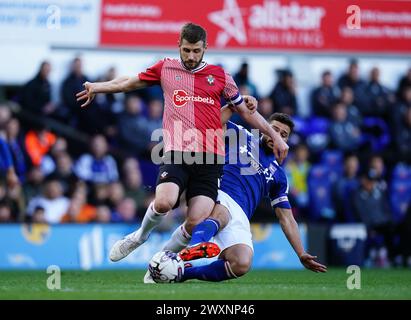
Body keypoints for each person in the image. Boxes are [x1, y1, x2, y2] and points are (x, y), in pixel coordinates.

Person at [76, 22, 289, 262]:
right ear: (179, 45)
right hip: (178, 151)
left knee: (196, 221)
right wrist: (97, 86)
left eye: (196, 51)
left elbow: (247, 112)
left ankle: (160, 261)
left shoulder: (221, 77)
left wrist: (273, 136)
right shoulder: (166, 68)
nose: (190, 56)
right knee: (165, 202)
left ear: (205, 48)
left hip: (210, 158)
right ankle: (139, 236)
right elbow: (128, 82)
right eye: (186, 50)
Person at [147, 112, 326, 283]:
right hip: (219, 191)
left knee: (241, 263)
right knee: (222, 214)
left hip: (241, 213)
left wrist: (301, 253)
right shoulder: (241, 135)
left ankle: (179, 272)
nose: (277, 135)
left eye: (283, 134)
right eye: (274, 129)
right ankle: (196, 247)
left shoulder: (279, 176)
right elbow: (214, 121)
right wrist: (235, 106)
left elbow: (286, 219)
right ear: (264, 128)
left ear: (287, 141)